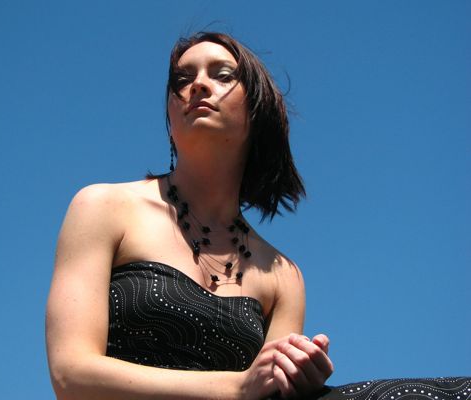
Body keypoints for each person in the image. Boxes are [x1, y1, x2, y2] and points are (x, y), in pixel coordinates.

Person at [45, 31, 331, 400]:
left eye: (222, 75)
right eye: (182, 79)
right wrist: (238, 387)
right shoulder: (104, 207)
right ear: (169, 114)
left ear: (257, 109)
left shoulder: (282, 276)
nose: (198, 85)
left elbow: (270, 393)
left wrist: (295, 381)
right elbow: (71, 375)